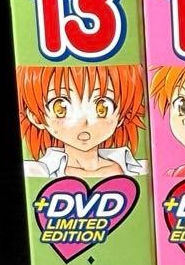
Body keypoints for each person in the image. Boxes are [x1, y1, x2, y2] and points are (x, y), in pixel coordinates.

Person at [18, 64, 146, 179]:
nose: (83, 123)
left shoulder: (140, 169)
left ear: (122, 115)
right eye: (61, 109)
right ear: (36, 117)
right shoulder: (35, 172)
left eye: (102, 108)